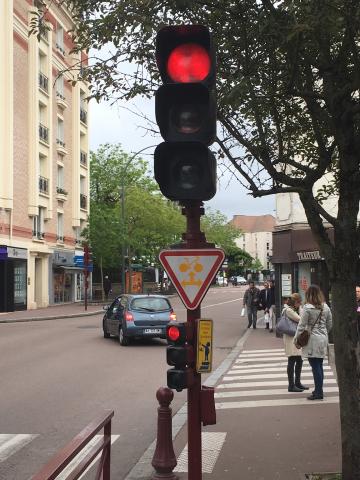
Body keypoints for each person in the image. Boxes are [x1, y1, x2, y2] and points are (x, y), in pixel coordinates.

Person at [294, 284, 332, 400]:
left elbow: (301, 325)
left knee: (315, 366)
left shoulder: (307, 308)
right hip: (323, 338)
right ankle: (319, 390)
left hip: (312, 340)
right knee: (319, 365)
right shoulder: (325, 307)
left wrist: (296, 339)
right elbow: (330, 323)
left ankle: (318, 392)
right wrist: (324, 332)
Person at [282, 293, 308, 392]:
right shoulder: (288, 310)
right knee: (292, 360)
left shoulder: (294, 309)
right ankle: (291, 385)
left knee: (299, 360)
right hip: (290, 338)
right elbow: (301, 319)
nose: (299, 304)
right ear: (294, 302)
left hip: (295, 337)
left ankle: (297, 383)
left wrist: (300, 308)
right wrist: (301, 310)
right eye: (298, 302)